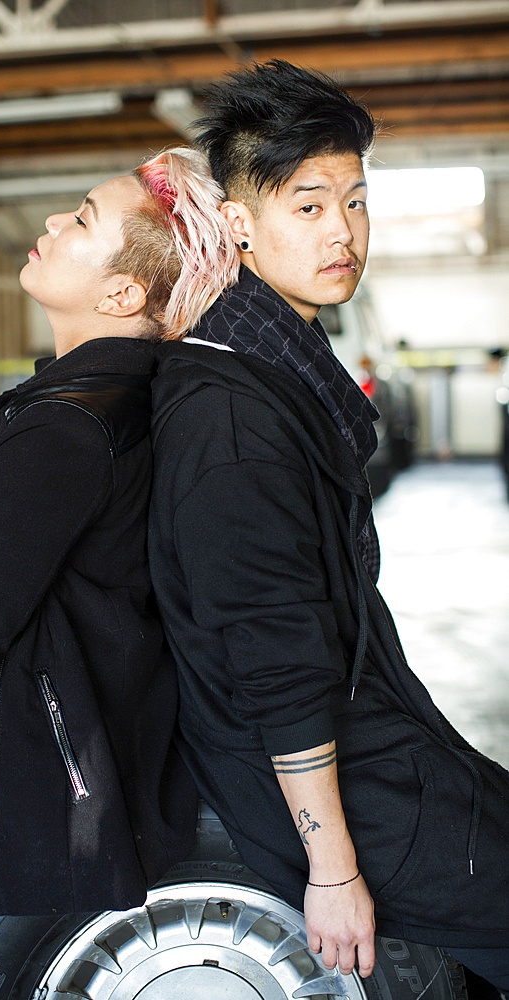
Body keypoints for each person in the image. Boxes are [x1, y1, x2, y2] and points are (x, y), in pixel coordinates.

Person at [0, 147, 238, 1000]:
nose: (53, 224)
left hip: (19, 771)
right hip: (88, 747)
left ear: (121, 294)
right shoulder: (123, 402)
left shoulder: (65, 428)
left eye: (83, 219)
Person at [148, 61, 509, 993]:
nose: (342, 231)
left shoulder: (280, 363)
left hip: (373, 728)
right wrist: (333, 870)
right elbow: (272, 656)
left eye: (353, 202)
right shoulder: (231, 420)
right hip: (308, 777)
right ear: (237, 222)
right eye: (306, 207)